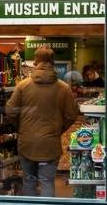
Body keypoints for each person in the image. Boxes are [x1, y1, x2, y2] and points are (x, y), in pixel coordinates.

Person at [5, 47, 78, 197]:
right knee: (47, 181)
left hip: (27, 142)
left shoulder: (23, 86)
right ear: (53, 62)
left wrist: (21, 127)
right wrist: (58, 129)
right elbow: (71, 114)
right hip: (50, 142)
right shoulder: (63, 88)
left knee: (29, 181)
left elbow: (11, 111)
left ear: (36, 61)